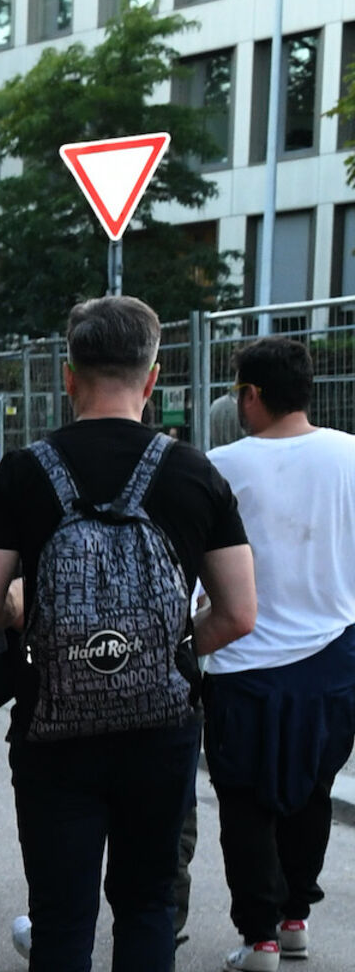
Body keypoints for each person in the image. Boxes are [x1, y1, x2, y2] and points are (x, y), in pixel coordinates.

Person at [0, 295, 255, 972]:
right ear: (152, 379)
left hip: (51, 729)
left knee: (61, 919)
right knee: (149, 905)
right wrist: (163, 650)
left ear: (69, 375)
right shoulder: (195, 473)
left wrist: (33, 616)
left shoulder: (25, 474)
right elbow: (239, 613)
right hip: (160, 728)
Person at [204, 338, 355, 972]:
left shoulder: (219, 464)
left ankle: (259, 935)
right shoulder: (350, 455)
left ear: (253, 395)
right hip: (335, 656)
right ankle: (296, 917)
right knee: (311, 790)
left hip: (242, 658)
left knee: (245, 801)